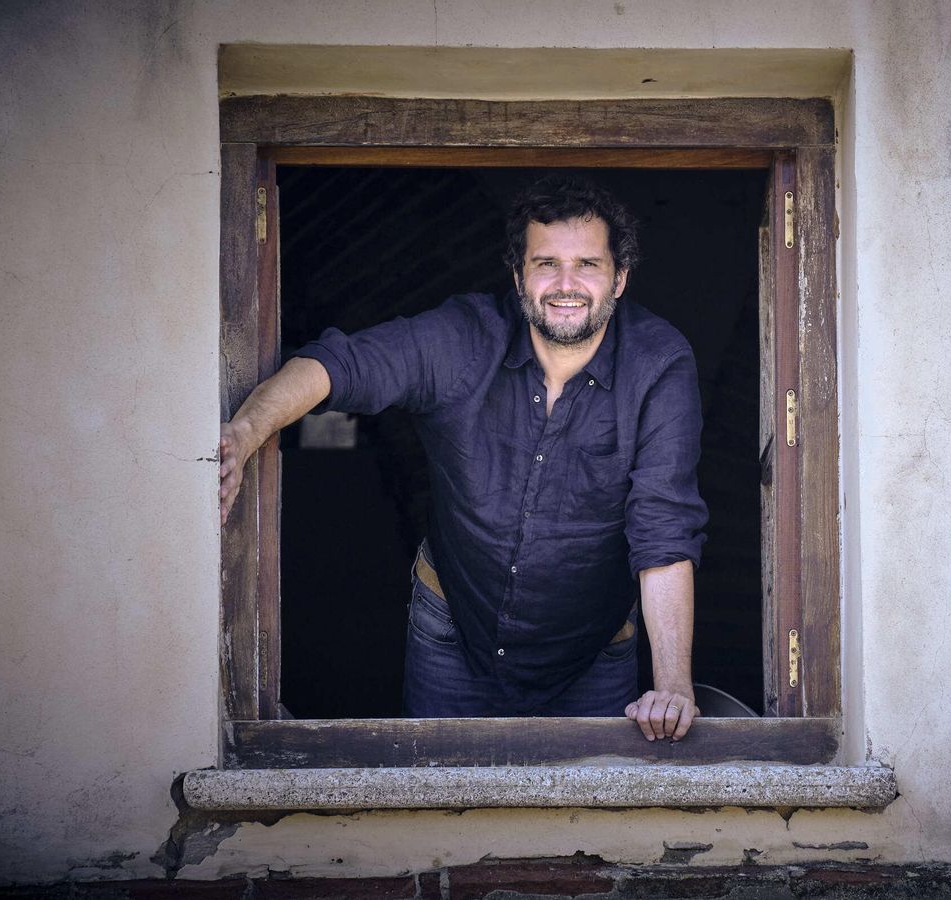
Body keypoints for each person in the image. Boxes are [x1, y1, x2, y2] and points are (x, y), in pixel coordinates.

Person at [217, 176, 706, 741]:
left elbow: (663, 527)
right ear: (519, 276)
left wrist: (672, 686)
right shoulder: (464, 337)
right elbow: (340, 366)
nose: (566, 284)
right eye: (546, 263)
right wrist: (247, 431)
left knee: (584, 824)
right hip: (451, 635)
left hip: (593, 652)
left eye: (588, 265)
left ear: (619, 279)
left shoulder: (659, 365)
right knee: (437, 805)